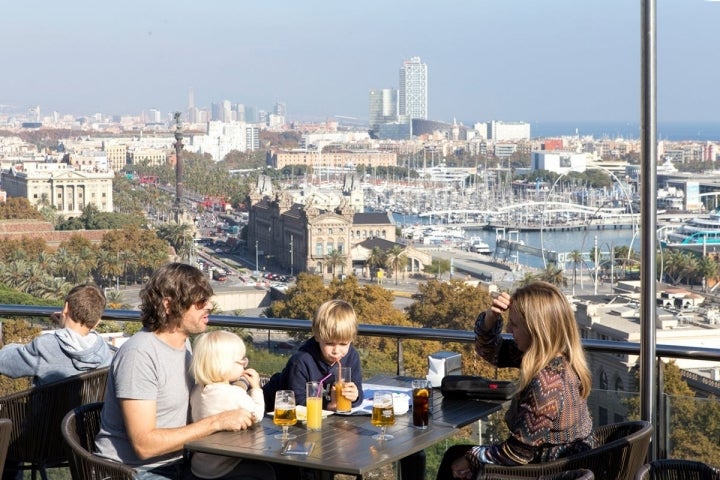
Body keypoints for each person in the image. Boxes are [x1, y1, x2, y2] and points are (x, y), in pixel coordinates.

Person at [94, 262, 255, 480]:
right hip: (134, 471)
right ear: (169, 306)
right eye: (199, 302)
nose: (208, 306)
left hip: (177, 463)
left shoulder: (184, 345)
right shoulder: (139, 355)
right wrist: (216, 422)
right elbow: (145, 445)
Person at [437, 281, 594, 480]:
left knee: (456, 459)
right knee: (455, 453)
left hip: (547, 472)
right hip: (563, 466)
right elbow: (491, 351)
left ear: (536, 329)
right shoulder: (561, 359)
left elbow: (518, 453)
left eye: (515, 324)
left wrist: (471, 458)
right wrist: (491, 317)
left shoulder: (547, 381)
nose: (509, 329)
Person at [189, 330, 274, 480]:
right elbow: (257, 414)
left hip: (199, 466)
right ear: (224, 364)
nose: (244, 365)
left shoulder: (197, 391)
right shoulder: (233, 394)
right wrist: (256, 388)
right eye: (242, 361)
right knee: (268, 471)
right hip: (224, 467)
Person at [0, 283, 112, 386]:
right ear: (97, 322)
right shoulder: (103, 350)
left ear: (66, 308)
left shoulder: (46, 346)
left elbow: (5, 363)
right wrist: (64, 327)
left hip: (45, 408)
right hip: (90, 408)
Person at [263, 299, 363, 412]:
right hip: (270, 409)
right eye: (329, 343)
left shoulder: (352, 357)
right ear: (317, 336)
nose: (336, 350)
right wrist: (328, 405)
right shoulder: (301, 361)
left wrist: (355, 396)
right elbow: (298, 401)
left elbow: (358, 390)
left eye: (343, 344)